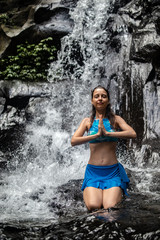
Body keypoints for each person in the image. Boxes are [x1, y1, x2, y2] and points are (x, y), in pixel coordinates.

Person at [71, 85, 136, 211]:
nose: (100, 99)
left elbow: (132, 134)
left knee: (110, 208)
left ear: (108, 100)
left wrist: (108, 134)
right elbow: (74, 141)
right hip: (93, 172)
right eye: (96, 96)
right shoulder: (87, 122)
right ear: (92, 101)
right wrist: (95, 135)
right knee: (93, 206)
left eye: (103, 96)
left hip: (112, 172)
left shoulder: (116, 120)